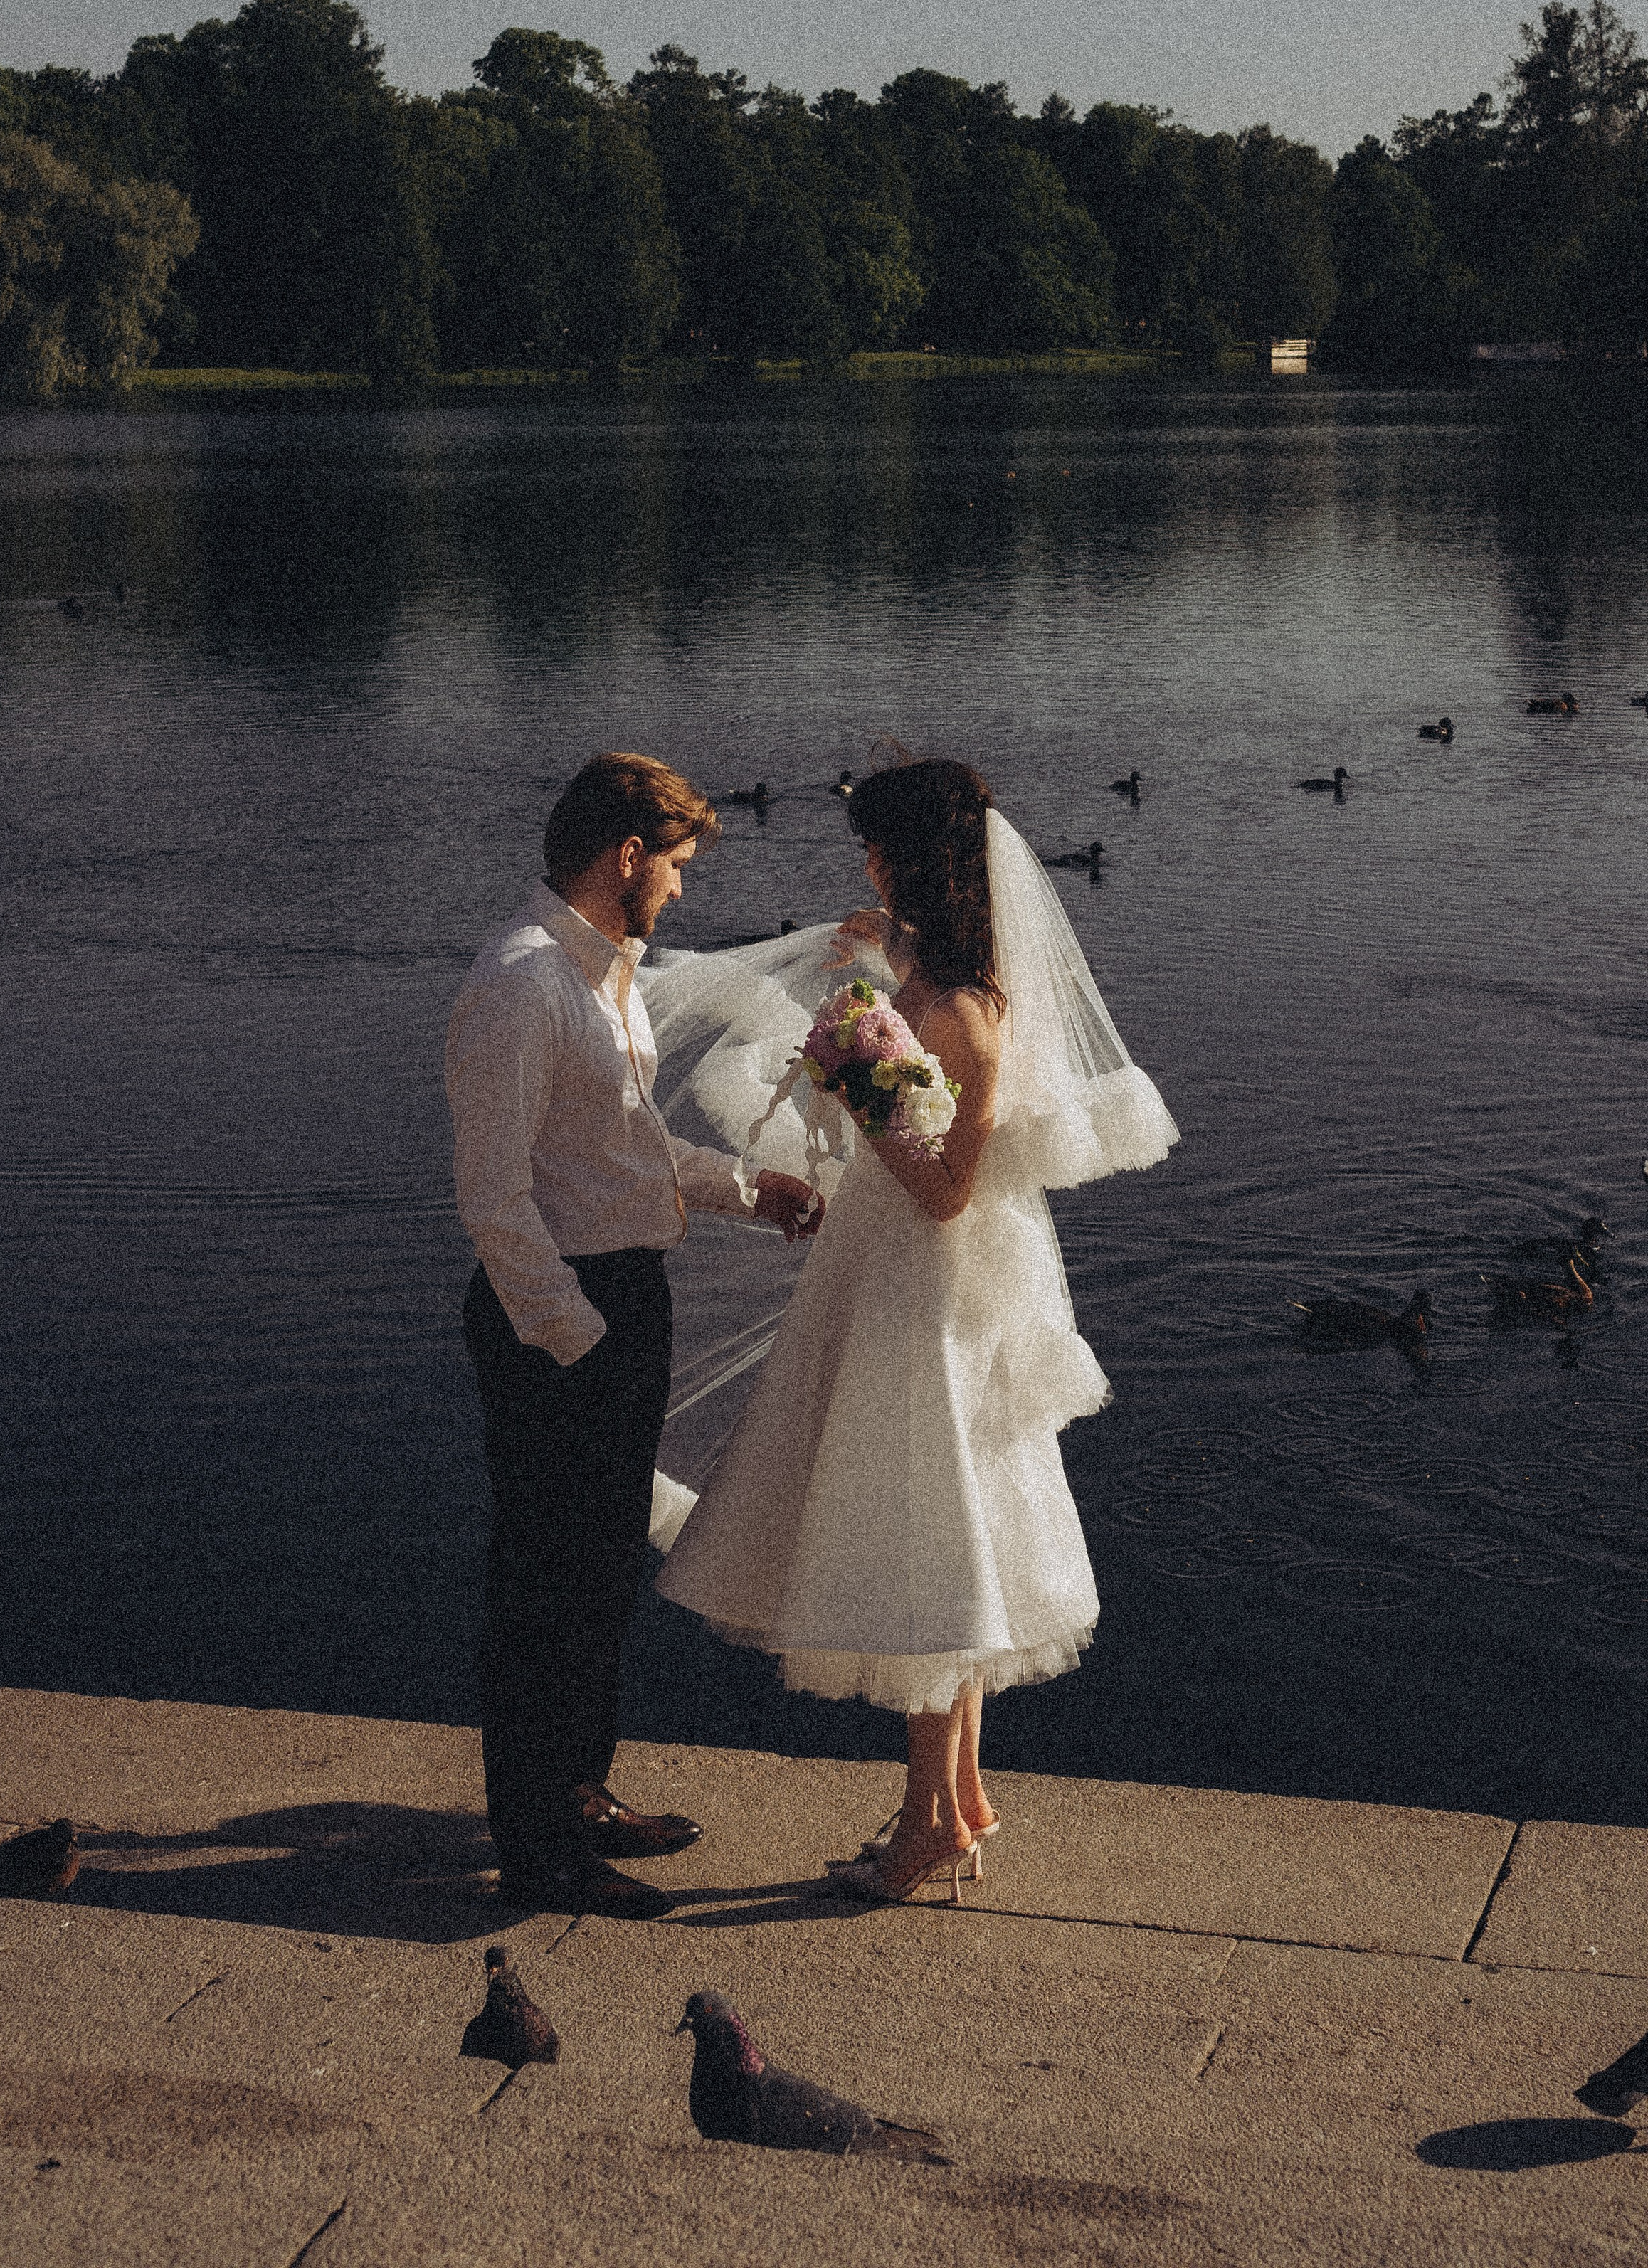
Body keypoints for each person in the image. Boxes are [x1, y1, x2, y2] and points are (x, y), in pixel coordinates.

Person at [655, 758, 1178, 1904]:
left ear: (916, 859)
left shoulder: (969, 1015)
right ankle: (959, 1801)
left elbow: (947, 1188)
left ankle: (923, 1826)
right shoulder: (929, 972)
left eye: (877, 849)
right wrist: (876, 958)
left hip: (927, 1294)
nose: (865, 864)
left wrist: (861, 1071)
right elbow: (908, 987)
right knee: (954, 1534)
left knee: (926, 1543)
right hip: (887, 1273)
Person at [445, 752, 822, 1920]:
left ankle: (581, 1792)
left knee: (601, 1571)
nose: (682, 890)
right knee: (544, 1585)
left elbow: (620, 1153)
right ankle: (540, 1847)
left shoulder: (602, 977)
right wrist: (576, 1337)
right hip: (559, 1312)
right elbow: (495, 1199)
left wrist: (748, 1188)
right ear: (626, 858)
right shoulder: (520, 984)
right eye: (676, 867)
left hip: (614, 1297)